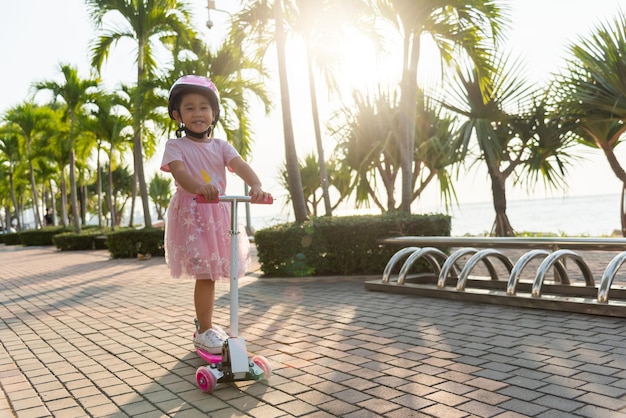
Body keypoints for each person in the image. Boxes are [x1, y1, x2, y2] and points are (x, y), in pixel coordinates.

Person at [160, 75, 271, 354]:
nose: (198, 113)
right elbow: (181, 174)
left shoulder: (221, 145)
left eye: (204, 107)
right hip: (192, 213)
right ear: (178, 115)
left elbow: (240, 165)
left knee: (224, 271)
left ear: (214, 113)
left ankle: (208, 325)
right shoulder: (175, 146)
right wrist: (200, 188)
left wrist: (255, 184)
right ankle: (205, 329)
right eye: (190, 108)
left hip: (218, 215)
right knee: (206, 274)